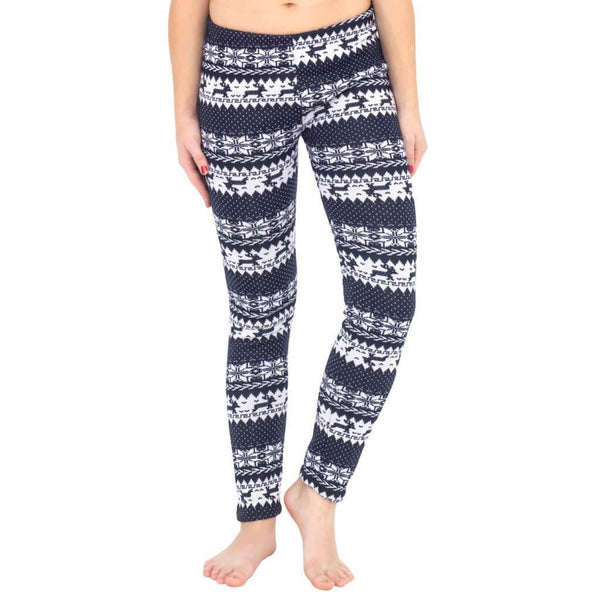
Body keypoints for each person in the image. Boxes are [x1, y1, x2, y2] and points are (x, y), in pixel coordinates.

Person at [168, 0, 427, 590]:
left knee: (386, 301)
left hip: (353, 68)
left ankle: (318, 492)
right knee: (259, 311)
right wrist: (183, 111)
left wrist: (408, 102)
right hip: (238, 76)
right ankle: (256, 521)